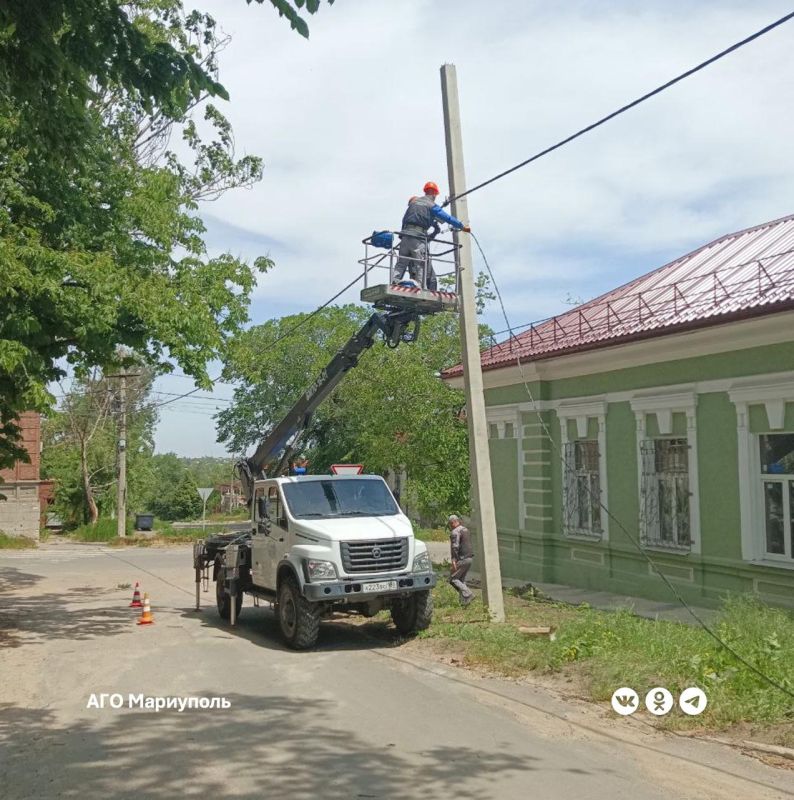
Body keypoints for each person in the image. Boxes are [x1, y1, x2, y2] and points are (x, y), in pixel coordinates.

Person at [393, 181, 471, 290]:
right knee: (420, 264)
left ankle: (394, 281)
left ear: (425, 192)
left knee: (401, 263)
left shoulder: (414, 204)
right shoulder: (431, 205)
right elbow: (447, 218)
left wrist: (432, 225)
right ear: (434, 194)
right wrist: (462, 226)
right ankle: (419, 287)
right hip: (417, 238)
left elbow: (412, 218)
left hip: (405, 237)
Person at [447, 514, 474, 606]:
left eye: (450, 524)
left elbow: (455, 547)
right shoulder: (465, 530)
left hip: (462, 559)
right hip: (469, 558)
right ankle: (464, 603)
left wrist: (454, 560)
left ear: (453, 522)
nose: (450, 526)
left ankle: (468, 593)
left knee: (453, 579)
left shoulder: (455, 532)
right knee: (461, 580)